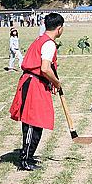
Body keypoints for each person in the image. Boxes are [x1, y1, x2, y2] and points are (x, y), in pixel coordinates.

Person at [9, 13, 64, 171]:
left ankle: (29, 156)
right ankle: (25, 160)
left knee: (37, 121)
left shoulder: (41, 39)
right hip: (33, 83)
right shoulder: (48, 44)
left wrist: (52, 81)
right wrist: (56, 82)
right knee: (32, 121)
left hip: (35, 82)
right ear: (59, 28)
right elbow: (45, 68)